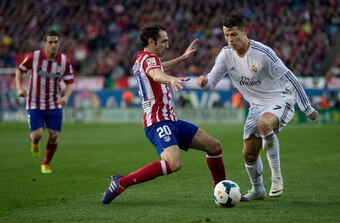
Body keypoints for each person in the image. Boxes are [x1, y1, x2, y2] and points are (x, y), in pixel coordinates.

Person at [101, 23, 228, 204]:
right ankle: (121, 182)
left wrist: (183, 57)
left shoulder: (143, 59)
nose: (167, 45)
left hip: (171, 120)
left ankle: (221, 191)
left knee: (214, 145)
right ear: (151, 41)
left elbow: (159, 67)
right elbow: (156, 74)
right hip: (158, 122)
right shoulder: (149, 60)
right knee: (173, 163)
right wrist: (171, 79)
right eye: (164, 41)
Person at [197, 14, 319, 200]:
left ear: (245, 32)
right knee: (249, 154)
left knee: (264, 125)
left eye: (234, 34)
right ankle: (258, 190)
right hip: (256, 107)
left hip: (280, 99)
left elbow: (290, 78)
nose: (230, 40)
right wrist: (204, 82)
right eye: (226, 35)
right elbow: (211, 83)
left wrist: (307, 108)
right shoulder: (225, 55)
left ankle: (276, 177)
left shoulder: (263, 53)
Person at [15, 30, 74, 174]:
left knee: (54, 135)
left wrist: (65, 97)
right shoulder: (34, 57)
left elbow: (70, 82)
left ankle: (46, 163)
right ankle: (34, 143)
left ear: (59, 43)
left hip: (54, 103)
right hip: (35, 103)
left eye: (56, 42)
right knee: (38, 135)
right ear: (45, 44)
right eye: (50, 42)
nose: (53, 45)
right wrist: (19, 87)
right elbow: (19, 70)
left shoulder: (64, 61)